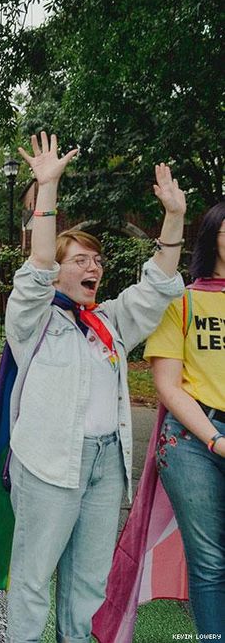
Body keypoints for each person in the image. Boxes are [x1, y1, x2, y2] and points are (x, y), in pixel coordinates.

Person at [4, 134, 185, 642]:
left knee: (87, 584)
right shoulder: (34, 320)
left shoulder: (108, 321)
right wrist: (48, 189)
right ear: (59, 270)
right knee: (35, 579)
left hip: (107, 466)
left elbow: (155, 290)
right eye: (80, 259)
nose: (93, 267)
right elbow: (35, 271)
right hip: (48, 463)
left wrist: (172, 219)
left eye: (97, 260)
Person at [144, 199, 225, 636]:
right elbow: (168, 385)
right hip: (194, 442)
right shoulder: (184, 302)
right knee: (210, 562)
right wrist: (216, 438)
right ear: (212, 237)